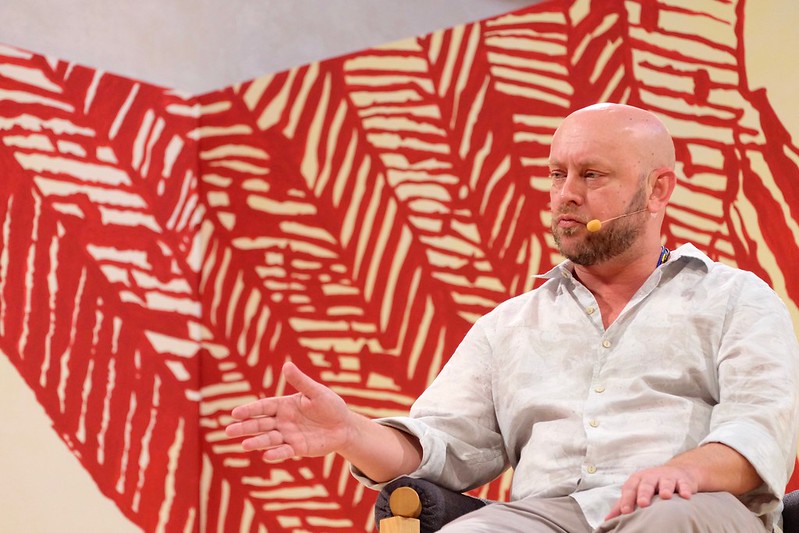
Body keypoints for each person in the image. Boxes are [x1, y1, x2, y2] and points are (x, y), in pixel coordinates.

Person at [225, 103, 799, 532]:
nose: (565, 195)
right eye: (557, 174)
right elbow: (445, 447)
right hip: (547, 517)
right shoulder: (509, 325)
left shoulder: (736, 300)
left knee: (666, 521)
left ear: (658, 190)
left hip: (692, 512)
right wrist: (353, 433)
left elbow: (758, 429)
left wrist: (688, 472)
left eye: (591, 176)